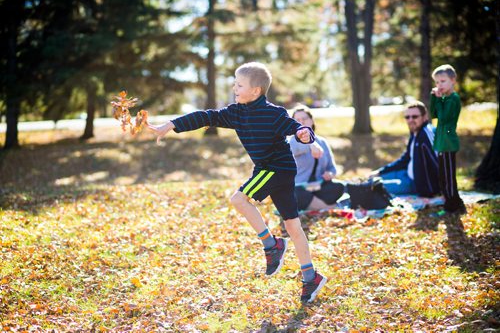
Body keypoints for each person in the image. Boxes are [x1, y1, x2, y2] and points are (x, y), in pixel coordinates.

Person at [147, 62, 327, 303]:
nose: (234, 87)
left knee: (238, 199)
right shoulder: (236, 113)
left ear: (256, 90)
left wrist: (305, 135)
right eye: (235, 83)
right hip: (269, 170)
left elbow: (297, 129)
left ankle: (272, 245)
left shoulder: (274, 114)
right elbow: (206, 116)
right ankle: (310, 277)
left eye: (239, 84)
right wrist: (170, 125)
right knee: (293, 226)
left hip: (277, 170)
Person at [371, 101, 440, 197]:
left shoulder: (426, 134)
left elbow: (439, 163)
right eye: (407, 117)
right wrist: (380, 171)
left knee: (374, 187)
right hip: (406, 173)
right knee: (372, 178)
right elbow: (405, 159)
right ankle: (350, 185)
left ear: (425, 117)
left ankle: (347, 187)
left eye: (415, 116)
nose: (410, 120)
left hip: (415, 184)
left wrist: (433, 190)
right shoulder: (415, 132)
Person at [289, 106, 345, 210]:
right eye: (297, 120)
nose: (301, 122)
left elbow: (332, 168)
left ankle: (313, 205)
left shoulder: (322, 142)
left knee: (340, 187)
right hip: (300, 188)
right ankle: (331, 207)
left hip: (319, 186)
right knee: (295, 194)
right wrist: (311, 145)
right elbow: (295, 148)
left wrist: (330, 174)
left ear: (311, 120)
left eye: (304, 119)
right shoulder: (291, 141)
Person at [430, 64, 466, 214]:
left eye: (443, 81)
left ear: (453, 81)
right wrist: (434, 98)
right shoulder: (443, 98)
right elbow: (433, 114)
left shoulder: (453, 99)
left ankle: (453, 206)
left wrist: (439, 100)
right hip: (441, 142)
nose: (439, 85)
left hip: (448, 143)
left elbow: (443, 118)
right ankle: (452, 201)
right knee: (443, 176)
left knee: (449, 177)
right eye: (437, 82)